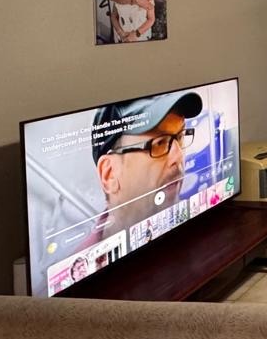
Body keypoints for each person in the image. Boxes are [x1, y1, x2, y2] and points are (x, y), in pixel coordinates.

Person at [85, 91, 202, 244]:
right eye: (159, 143)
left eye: (179, 137)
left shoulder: (198, 219)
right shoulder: (83, 258)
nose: (178, 156)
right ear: (110, 174)